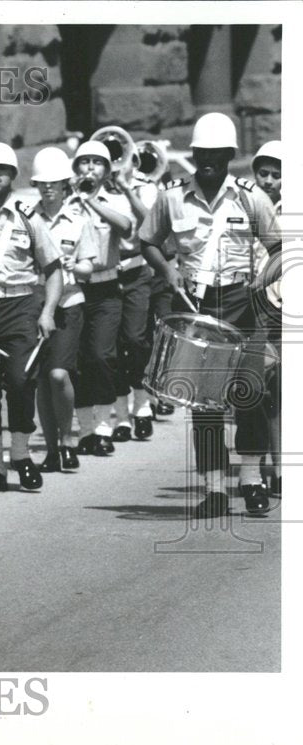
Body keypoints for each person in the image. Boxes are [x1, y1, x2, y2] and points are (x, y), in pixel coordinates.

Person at [139, 112, 281, 518]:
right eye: (202, 152)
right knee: (204, 403)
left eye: (217, 153)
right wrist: (167, 271)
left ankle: (251, 480)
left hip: (241, 300)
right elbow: (147, 240)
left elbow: (280, 250)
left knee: (251, 392)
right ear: (195, 153)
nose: (208, 160)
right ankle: (214, 489)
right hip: (195, 304)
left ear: (229, 155)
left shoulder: (250, 196)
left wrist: (263, 282)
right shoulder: (170, 196)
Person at [0, 142, 63, 492]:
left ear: (13, 175)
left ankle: (20, 455)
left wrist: (48, 312)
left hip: (21, 308)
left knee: (20, 383)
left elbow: (53, 268)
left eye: (1, 169)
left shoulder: (26, 217)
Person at [28, 148, 99, 473]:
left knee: (59, 374)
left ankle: (69, 438)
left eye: (54, 182)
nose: (48, 188)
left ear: (65, 184)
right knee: (42, 379)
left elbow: (89, 266)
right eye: (42, 183)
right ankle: (53, 449)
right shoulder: (26, 218)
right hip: (34, 303)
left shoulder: (79, 221)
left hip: (69, 303)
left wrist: (76, 266)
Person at [69, 140, 133, 457]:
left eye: (97, 162)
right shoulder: (65, 202)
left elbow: (126, 226)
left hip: (107, 288)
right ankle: (85, 430)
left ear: (107, 170)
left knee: (102, 356)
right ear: (75, 167)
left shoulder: (114, 199)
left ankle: (105, 426)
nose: (90, 167)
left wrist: (92, 200)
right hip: (75, 289)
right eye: (85, 162)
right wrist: (76, 198)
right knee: (78, 361)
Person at [111, 153, 162, 443]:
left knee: (135, 338)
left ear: (134, 161)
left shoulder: (145, 186)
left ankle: (142, 405)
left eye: (122, 157)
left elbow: (151, 222)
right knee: (112, 348)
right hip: (105, 273)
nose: (117, 162)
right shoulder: (95, 188)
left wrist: (127, 189)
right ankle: (121, 416)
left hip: (137, 269)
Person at [251, 139, 283, 496]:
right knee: (260, 389)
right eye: (264, 173)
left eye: (277, 175)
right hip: (255, 309)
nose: (270, 180)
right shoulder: (247, 205)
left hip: (284, 308)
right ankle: (259, 465)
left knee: (282, 391)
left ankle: (281, 465)